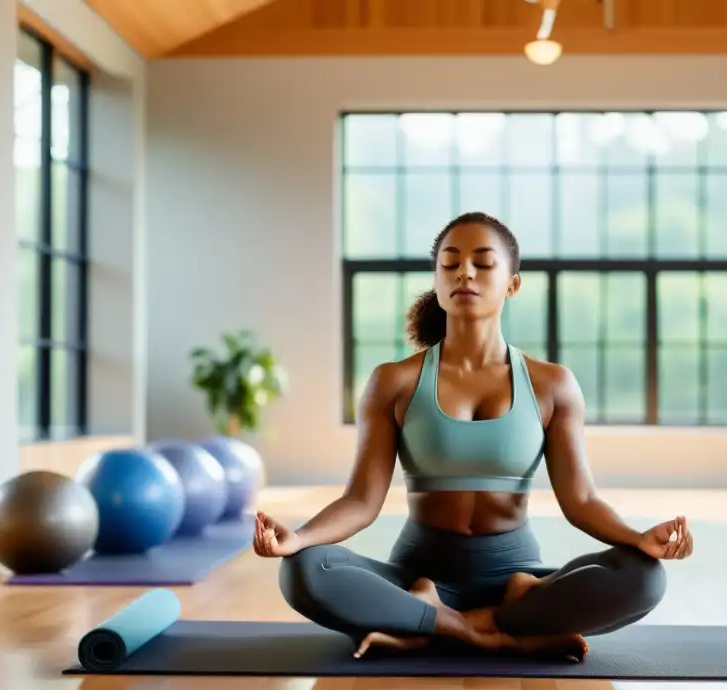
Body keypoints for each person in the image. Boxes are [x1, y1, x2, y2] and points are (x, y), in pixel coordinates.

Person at [253, 211, 694, 661]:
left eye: (483, 263)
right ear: (438, 280)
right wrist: (299, 539)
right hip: (417, 575)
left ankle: (437, 623)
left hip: (517, 581)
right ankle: (477, 628)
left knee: (644, 575)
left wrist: (638, 538)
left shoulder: (552, 385)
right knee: (304, 570)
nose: (464, 272)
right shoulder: (394, 382)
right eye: (450, 263)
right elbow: (362, 501)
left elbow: (580, 501)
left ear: (512, 284)